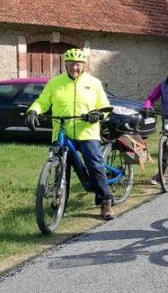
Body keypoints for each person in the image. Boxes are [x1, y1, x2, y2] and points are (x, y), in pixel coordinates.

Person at [25, 48, 114, 220]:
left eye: (78, 64)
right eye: (71, 64)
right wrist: (33, 111)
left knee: (95, 165)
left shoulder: (93, 82)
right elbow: (42, 101)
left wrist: (98, 114)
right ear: (65, 64)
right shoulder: (55, 82)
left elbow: (104, 105)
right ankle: (61, 201)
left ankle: (105, 201)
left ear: (84, 65)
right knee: (61, 169)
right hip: (61, 132)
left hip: (87, 131)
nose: (75, 67)